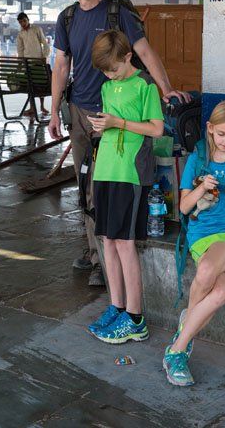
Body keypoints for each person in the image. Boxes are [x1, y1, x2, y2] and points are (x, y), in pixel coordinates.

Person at [48, 0, 190, 287]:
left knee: (110, 186)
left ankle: (107, 255)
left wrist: (165, 88)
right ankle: (94, 250)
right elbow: (60, 66)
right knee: (86, 185)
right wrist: (55, 110)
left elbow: (144, 52)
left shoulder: (118, 14)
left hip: (117, 112)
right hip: (82, 112)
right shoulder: (66, 19)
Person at [163, 100, 225, 387]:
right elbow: (183, 208)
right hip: (200, 230)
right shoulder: (197, 159)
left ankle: (177, 349)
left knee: (205, 272)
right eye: (221, 135)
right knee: (219, 294)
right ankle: (186, 329)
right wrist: (201, 187)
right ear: (210, 129)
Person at [86, 30, 163, 343]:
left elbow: (156, 129)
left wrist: (118, 124)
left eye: (114, 68)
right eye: (104, 70)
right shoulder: (107, 86)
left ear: (128, 56)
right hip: (104, 169)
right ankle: (116, 307)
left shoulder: (145, 85)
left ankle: (135, 317)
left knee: (125, 243)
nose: (109, 75)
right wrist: (103, 125)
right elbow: (110, 123)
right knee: (107, 240)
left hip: (130, 173)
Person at [16, 12, 50, 116]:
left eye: (24, 21)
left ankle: (42, 106)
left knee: (41, 84)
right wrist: (21, 62)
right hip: (27, 63)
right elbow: (20, 50)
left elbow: (45, 43)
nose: (23, 23)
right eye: (21, 22)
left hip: (39, 61)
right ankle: (32, 107)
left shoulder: (36, 29)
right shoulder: (20, 34)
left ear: (28, 20)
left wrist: (44, 56)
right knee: (30, 86)